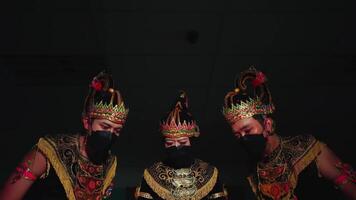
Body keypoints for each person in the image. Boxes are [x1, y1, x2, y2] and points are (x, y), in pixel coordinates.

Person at [222, 66, 356, 199]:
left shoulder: (305, 147)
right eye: (238, 135)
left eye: (247, 130)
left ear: (267, 125)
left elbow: (347, 185)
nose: (244, 138)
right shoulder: (254, 170)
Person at [0, 71, 129, 200]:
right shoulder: (50, 150)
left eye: (117, 130)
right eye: (105, 127)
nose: (110, 134)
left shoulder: (109, 163)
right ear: (87, 123)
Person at [135, 91, 228, 200]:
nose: (176, 147)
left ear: (192, 141)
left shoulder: (209, 173)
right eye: (170, 143)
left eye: (183, 143)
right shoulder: (152, 174)